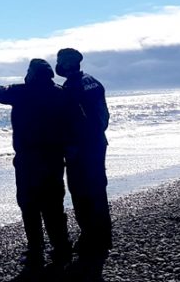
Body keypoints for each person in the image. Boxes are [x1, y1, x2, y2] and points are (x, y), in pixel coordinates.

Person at [0, 59, 81, 274]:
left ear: (33, 74)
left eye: (28, 71)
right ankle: (61, 249)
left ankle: (36, 251)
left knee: (30, 207)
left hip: (29, 160)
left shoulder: (22, 92)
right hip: (53, 159)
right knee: (53, 207)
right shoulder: (61, 93)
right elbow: (76, 121)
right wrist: (71, 147)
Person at [55, 48, 112, 280]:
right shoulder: (94, 82)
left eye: (60, 61)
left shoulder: (72, 88)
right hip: (98, 143)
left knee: (81, 194)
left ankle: (91, 238)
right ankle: (102, 237)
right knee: (98, 191)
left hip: (82, 148)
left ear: (67, 65)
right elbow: (103, 116)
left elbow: (76, 120)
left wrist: (73, 145)